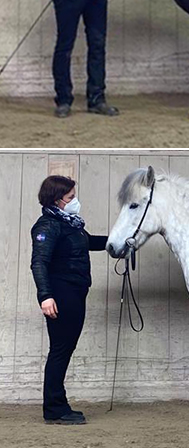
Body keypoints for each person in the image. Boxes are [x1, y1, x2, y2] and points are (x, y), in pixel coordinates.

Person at [31, 175, 109, 424]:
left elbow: (88, 242)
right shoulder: (47, 226)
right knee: (60, 350)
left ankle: (57, 405)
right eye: (71, 197)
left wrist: (117, 241)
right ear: (58, 200)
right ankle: (55, 409)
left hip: (75, 292)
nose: (76, 201)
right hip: (61, 293)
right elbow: (39, 263)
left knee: (64, 349)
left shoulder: (69, 224)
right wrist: (45, 296)